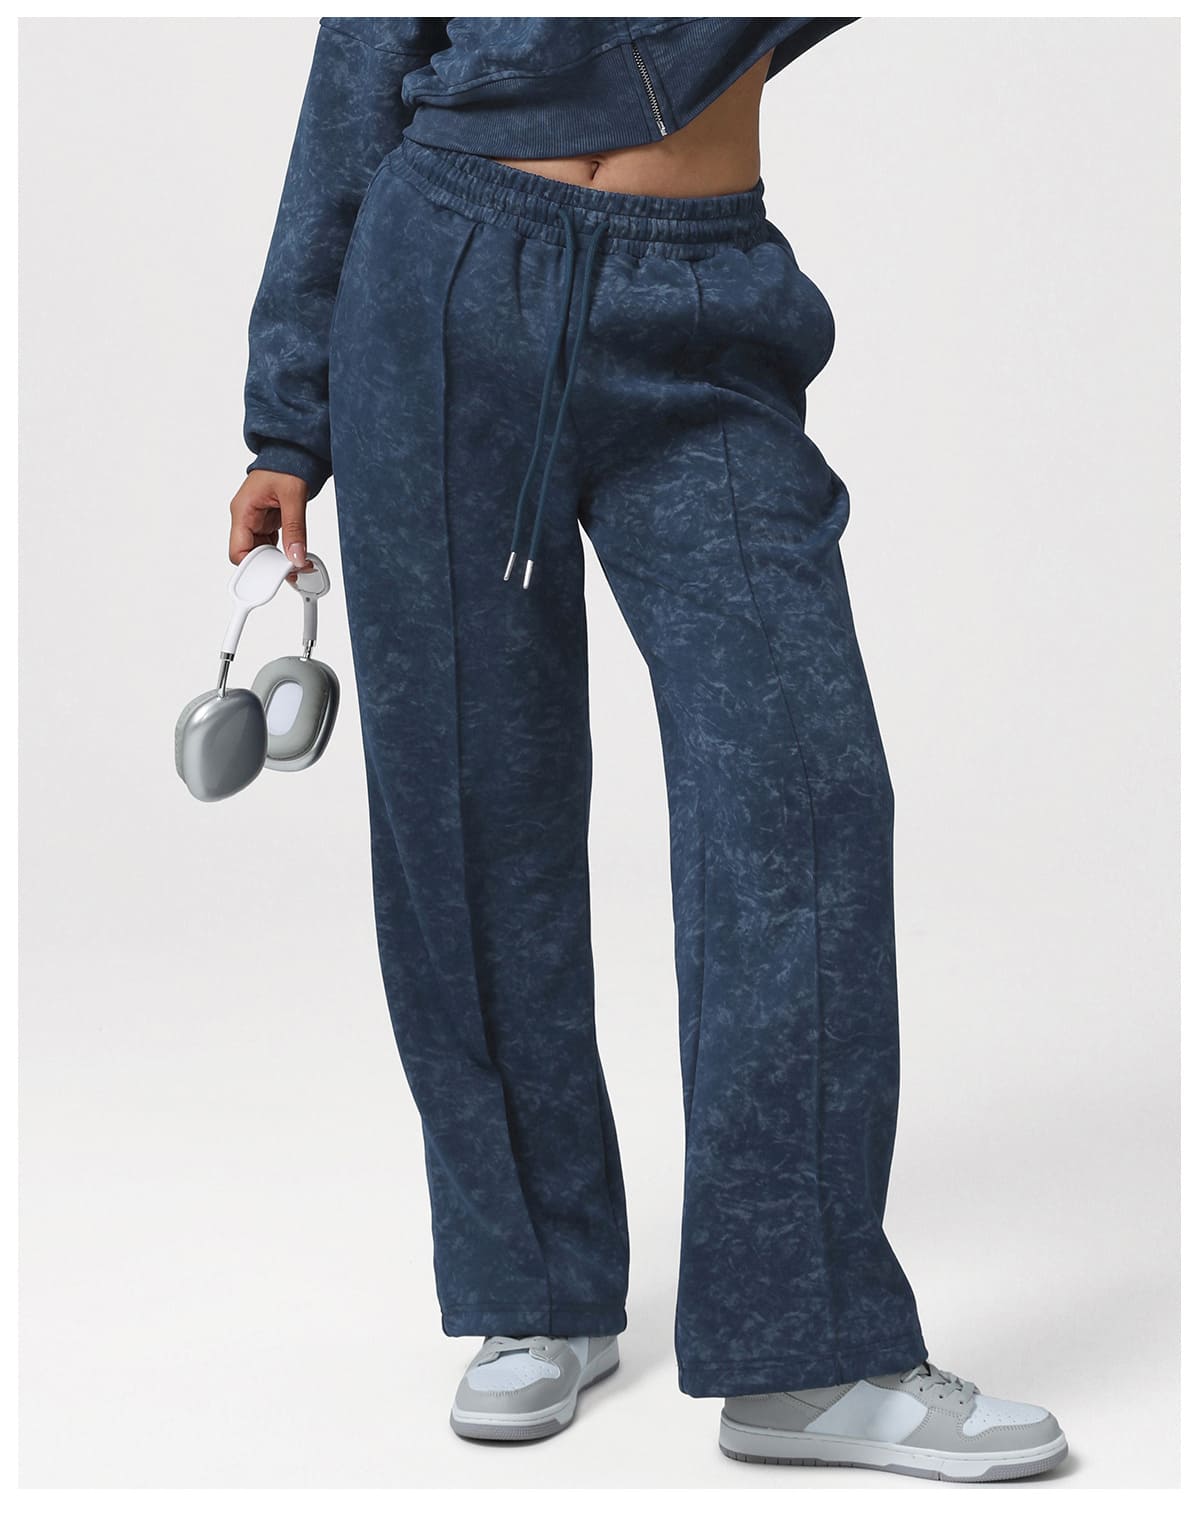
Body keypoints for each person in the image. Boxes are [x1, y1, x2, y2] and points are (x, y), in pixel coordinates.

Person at [229, 18, 1068, 1481]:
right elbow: (360, 66)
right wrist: (286, 426)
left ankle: (803, 1349)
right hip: (443, 283)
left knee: (800, 796)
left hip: (702, 298)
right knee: (471, 810)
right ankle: (533, 1289)